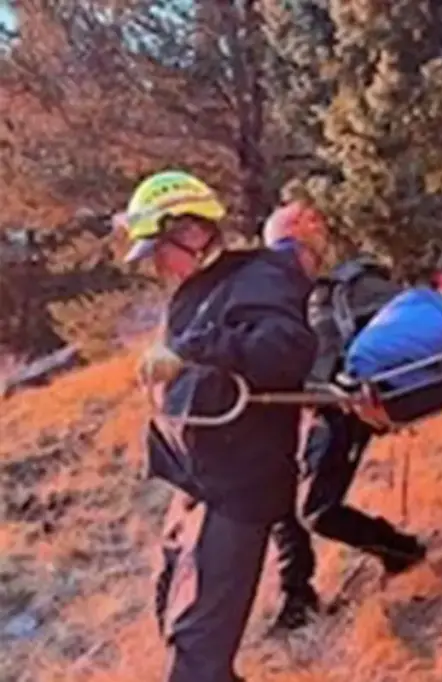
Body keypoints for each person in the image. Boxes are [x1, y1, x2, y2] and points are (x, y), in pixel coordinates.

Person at [120, 171, 318, 682]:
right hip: (197, 484)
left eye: (160, 250)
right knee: (180, 633)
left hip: (236, 488)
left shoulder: (258, 276)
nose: (157, 267)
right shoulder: (200, 289)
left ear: (190, 232)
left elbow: (287, 351)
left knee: (196, 661)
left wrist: (191, 348)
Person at [259, 202, 428, 632]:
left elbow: (330, 369)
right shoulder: (315, 295)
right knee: (294, 501)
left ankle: (401, 551)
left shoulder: (323, 299)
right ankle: (299, 594)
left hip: (342, 409)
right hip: (329, 407)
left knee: (316, 510)